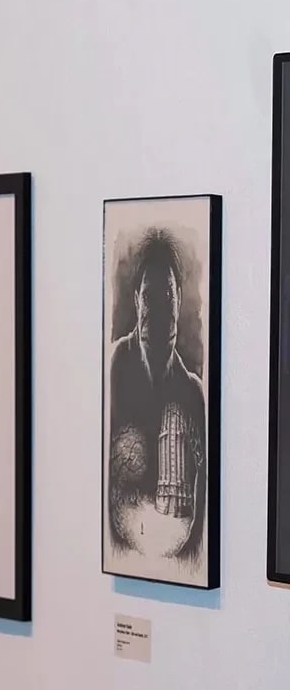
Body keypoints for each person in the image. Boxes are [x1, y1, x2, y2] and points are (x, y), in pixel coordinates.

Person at [107, 227, 206, 565]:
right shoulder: (113, 366)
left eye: (167, 295)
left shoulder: (193, 393)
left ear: (179, 298)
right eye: (150, 295)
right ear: (136, 299)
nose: (159, 308)